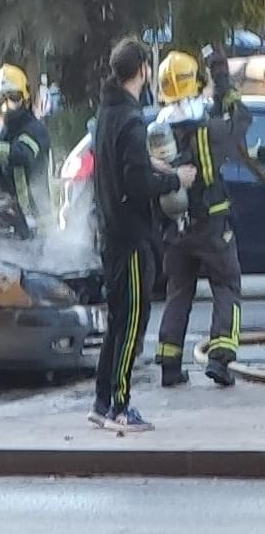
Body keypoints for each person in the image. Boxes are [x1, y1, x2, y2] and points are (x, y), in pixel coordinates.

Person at [89, 37, 197, 432]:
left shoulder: (108, 112)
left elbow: (123, 163)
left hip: (110, 235)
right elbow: (136, 183)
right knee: (133, 321)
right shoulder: (132, 119)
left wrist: (152, 165)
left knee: (118, 320)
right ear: (142, 71)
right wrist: (174, 179)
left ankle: (101, 402)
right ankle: (120, 406)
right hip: (131, 237)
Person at [153, 48, 252, 388]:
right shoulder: (210, 130)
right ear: (195, 82)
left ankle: (169, 362)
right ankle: (220, 361)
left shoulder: (159, 134)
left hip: (177, 231)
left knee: (178, 292)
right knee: (227, 286)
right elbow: (241, 120)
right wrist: (223, 79)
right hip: (213, 227)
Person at [0, 63, 52, 233]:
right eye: (2, 100)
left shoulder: (36, 129)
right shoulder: (5, 134)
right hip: (15, 220)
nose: (7, 106)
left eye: (13, 98)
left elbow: (22, 154)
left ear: (25, 97)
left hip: (39, 223)